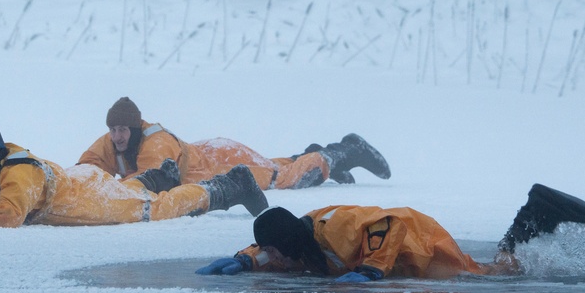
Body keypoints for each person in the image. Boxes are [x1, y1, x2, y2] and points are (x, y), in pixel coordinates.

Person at [0, 116, 268, 229]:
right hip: (77, 177)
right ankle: (155, 177)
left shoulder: (19, 173)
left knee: (153, 209)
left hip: (86, 198)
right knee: (130, 190)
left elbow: (11, 213)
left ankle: (228, 186)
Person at [195, 184, 585, 282]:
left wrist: (373, 267)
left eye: (269, 252)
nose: (273, 258)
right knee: (491, 269)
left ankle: (536, 213)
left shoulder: (332, 230)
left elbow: (389, 224)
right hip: (402, 242)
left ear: (284, 245)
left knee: (490, 273)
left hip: (419, 241)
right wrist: (244, 258)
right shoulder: (296, 238)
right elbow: (272, 245)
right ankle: (535, 217)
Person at [77, 96, 391, 191]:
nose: (117, 136)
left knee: (286, 179)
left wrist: (105, 190)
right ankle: (310, 154)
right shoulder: (112, 143)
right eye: (113, 129)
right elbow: (86, 168)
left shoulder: (155, 145)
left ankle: (344, 150)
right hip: (207, 153)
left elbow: (149, 181)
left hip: (222, 162)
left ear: (134, 128)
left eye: (122, 130)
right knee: (271, 165)